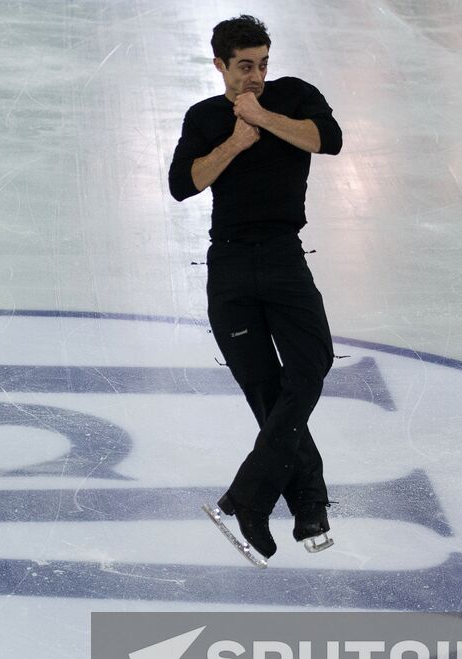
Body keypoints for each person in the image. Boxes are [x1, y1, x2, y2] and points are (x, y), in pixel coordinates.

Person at [168, 15, 342, 559]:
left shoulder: (292, 96)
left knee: (312, 367)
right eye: (245, 66)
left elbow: (328, 140)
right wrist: (237, 142)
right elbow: (181, 185)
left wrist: (263, 117)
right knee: (266, 390)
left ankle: (249, 495)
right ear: (220, 65)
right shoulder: (205, 116)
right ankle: (310, 509)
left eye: (263, 63)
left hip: (286, 258)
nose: (256, 75)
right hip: (232, 268)